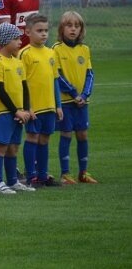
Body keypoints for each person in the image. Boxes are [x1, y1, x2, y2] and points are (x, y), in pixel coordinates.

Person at [0, 23, 35, 195]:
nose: (19, 42)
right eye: (16, 39)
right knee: (1, 147)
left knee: (14, 147)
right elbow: (0, 91)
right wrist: (16, 110)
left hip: (19, 112)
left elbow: (24, 87)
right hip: (3, 112)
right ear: (6, 40)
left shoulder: (18, 62)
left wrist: (26, 109)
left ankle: (13, 181)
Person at [53, 11, 97, 184]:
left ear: (81, 30)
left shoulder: (84, 49)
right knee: (66, 134)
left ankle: (83, 173)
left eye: (76, 26)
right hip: (66, 101)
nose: (73, 29)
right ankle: (65, 174)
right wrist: (74, 94)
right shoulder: (56, 49)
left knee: (83, 135)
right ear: (61, 29)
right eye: (69, 25)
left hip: (81, 102)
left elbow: (90, 74)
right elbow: (57, 75)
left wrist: (85, 95)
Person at [19, 14, 63, 187]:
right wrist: (27, 107)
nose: (44, 34)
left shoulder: (51, 53)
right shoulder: (24, 54)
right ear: (28, 32)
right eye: (39, 31)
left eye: (46, 30)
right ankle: (31, 176)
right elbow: (22, 84)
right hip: (34, 108)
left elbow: (54, 80)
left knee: (45, 140)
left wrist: (58, 105)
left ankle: (43, 175)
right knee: (32, 137)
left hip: (49, 106)